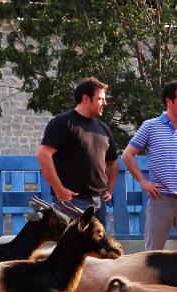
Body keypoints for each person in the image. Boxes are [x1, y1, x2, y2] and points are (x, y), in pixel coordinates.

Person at [122, 81, 177, 250]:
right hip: (160, 200)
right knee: (152, 253)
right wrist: (143, 182)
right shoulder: (150, 126)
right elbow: (127, 155)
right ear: (169, 102)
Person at [37, 77, 118, 227]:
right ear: (86, 99)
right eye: (100, 99)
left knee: (97, 249)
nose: (105, 103)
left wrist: (110, 190)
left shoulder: (103, 128)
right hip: (72, 203)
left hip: (99, 202)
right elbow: (43, 154)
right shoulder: (63, 122)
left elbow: (113, 163)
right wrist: (59, 189)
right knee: (71, 248)